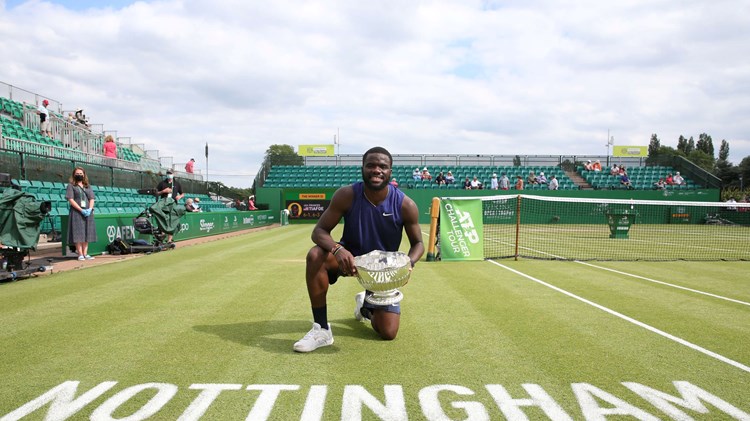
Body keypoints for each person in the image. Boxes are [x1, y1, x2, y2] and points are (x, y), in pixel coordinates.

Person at [293, 146, 425, 353]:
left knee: (388, 332)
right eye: (371, 165)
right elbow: (319, 231)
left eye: (383, 166)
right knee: (316, 254)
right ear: (363, 168)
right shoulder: (347, 195)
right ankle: (321, 329)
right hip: (349, 261)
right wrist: (337, 249)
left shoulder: (405, 204)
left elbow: (418, 243)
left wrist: (409, 263)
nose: (376, 170)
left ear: (390, 171)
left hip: (381, 271)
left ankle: (365, 306)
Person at [66, 167, 97, 261]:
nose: (79, 175)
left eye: (81, 173)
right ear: (74, 175)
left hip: (88, 212)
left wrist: (90, 209)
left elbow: (92, 198)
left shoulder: (87, 186)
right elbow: (70, 199)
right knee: (78, 233)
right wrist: (80, 209)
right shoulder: (71, 186)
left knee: (87, 232)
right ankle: (80, 254)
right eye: (77, 173)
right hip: (76, 212)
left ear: (84, 175)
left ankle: (85, 253)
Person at [156, 169, 184, 242]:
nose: (169, 174)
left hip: (173, 204)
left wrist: (179, 197)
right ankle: (162, 238)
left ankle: (169, 240)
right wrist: (163, 191)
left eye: (170, 173)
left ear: (173, 174)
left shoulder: (177, 183)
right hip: (164, 204)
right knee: (163, 221)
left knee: (172, 222)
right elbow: (156, 193)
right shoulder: (162, 183)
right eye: (168, 173)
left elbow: (182, 193)